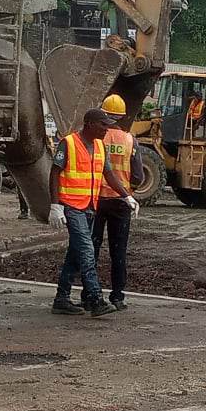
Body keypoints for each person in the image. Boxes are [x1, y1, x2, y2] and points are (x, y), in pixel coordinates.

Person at [50, 107, 137, 316]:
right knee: (87, 252)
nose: (106, 129)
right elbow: (54, 173)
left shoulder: (99, 146)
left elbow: (108, 173)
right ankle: (95, 299)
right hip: (71, 206)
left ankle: (61, 298)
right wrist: (55, 205)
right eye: (102, 125)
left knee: (75, 254)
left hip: (89, 207)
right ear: (89, 124)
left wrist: (126, 195)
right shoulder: (68, 143)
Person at [91, 94, 147, 311]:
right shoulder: (130, 140)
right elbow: (138, 177)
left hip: (95, 200)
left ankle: (90, 293)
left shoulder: (96, 138)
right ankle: (117, 296)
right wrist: (129, 191)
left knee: (91, 249)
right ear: (123, 116)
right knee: (118, 251)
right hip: (121, 201)